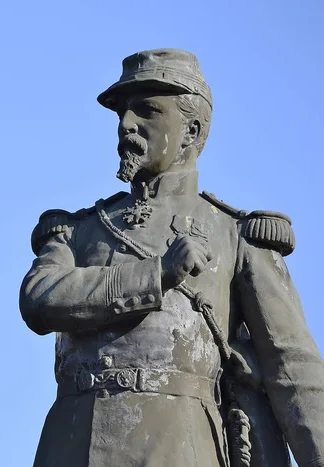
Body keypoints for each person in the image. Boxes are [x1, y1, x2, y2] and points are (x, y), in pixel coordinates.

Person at [19, 48, 324, 467]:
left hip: (178, 445)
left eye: (146, 110)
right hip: (71, 445)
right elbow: (39, 298)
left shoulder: (234, 235)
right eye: (122, 113)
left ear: (191, 130)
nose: (127, 124)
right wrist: (156, 274)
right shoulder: (78, 230)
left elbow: (294, 372)